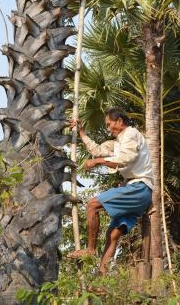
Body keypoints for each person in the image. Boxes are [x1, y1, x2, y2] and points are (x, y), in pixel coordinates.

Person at [68, 107, 153, 274]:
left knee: (92, 205)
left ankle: (90, 249)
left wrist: (98, 161)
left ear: (119, 121)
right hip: (136, 190)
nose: (108, 128)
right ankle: (102, 276)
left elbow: (126, 158)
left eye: (109, 124)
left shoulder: (131, 134)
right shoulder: (118, 142)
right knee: (113, 235)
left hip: (139, 188)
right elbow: (97, 150)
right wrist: (82, 133)